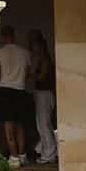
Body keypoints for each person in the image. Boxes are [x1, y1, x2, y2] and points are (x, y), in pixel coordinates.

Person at [0, 24, 31, 167]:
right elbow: (27, 74)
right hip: (20, 89)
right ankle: (22, 155)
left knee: (8, 125)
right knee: (20, 124)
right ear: (14, 35)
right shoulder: (25, 53)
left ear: (2, 36)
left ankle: (13, 157)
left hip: (5, 91)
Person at [28, 30, 57, 164]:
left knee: (44, 124)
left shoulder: (44, 59)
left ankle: (49, 153)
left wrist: (31, 74)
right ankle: (45, 150)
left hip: (44, 94)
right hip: (42, 93)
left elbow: (41, 76)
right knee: (43, 124)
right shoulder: (43, 58)